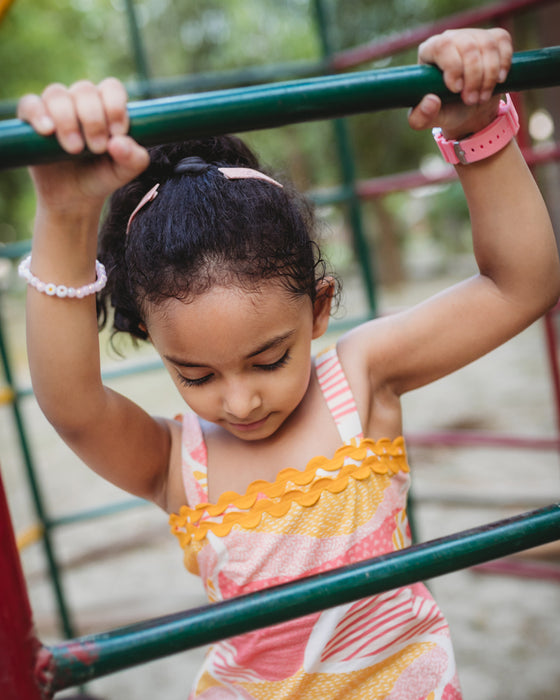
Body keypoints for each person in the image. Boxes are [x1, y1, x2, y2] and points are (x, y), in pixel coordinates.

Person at [17, 27, 560, 699]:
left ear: (318, 311)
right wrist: (66, 218)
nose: (239, 401)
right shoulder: (174, 461)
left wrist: (476, 128)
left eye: (270, 359)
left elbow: (520, 285)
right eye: (196, 375)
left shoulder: (360, 379)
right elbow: (72, 405)